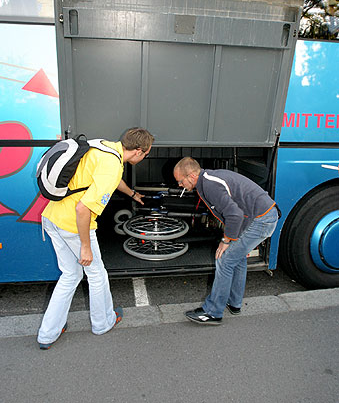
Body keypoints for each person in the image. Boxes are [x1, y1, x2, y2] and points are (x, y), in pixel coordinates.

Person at [37, 127, 154, 349]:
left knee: (70, 275)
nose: (145, 156)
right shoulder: (112, 165)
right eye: (146, 153)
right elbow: (83, 209)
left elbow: (111, 178)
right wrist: (85, 247)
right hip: (73, 224)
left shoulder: (103, 146)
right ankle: (103, 322)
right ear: (138, 151)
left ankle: (47, 333)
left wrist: (132, 194)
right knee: (97, 274)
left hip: (52, 217)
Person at [173, 157, 279, 325]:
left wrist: (226, 240)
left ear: (192, 176)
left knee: (224, 259)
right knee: (237, 258)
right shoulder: (206, 180)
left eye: (180, 181)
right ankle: (234, 303)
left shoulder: (209, 185)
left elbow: (234, 214)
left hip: (261, 219)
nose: (179, 185)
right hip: (260, 216)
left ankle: (213, 312)